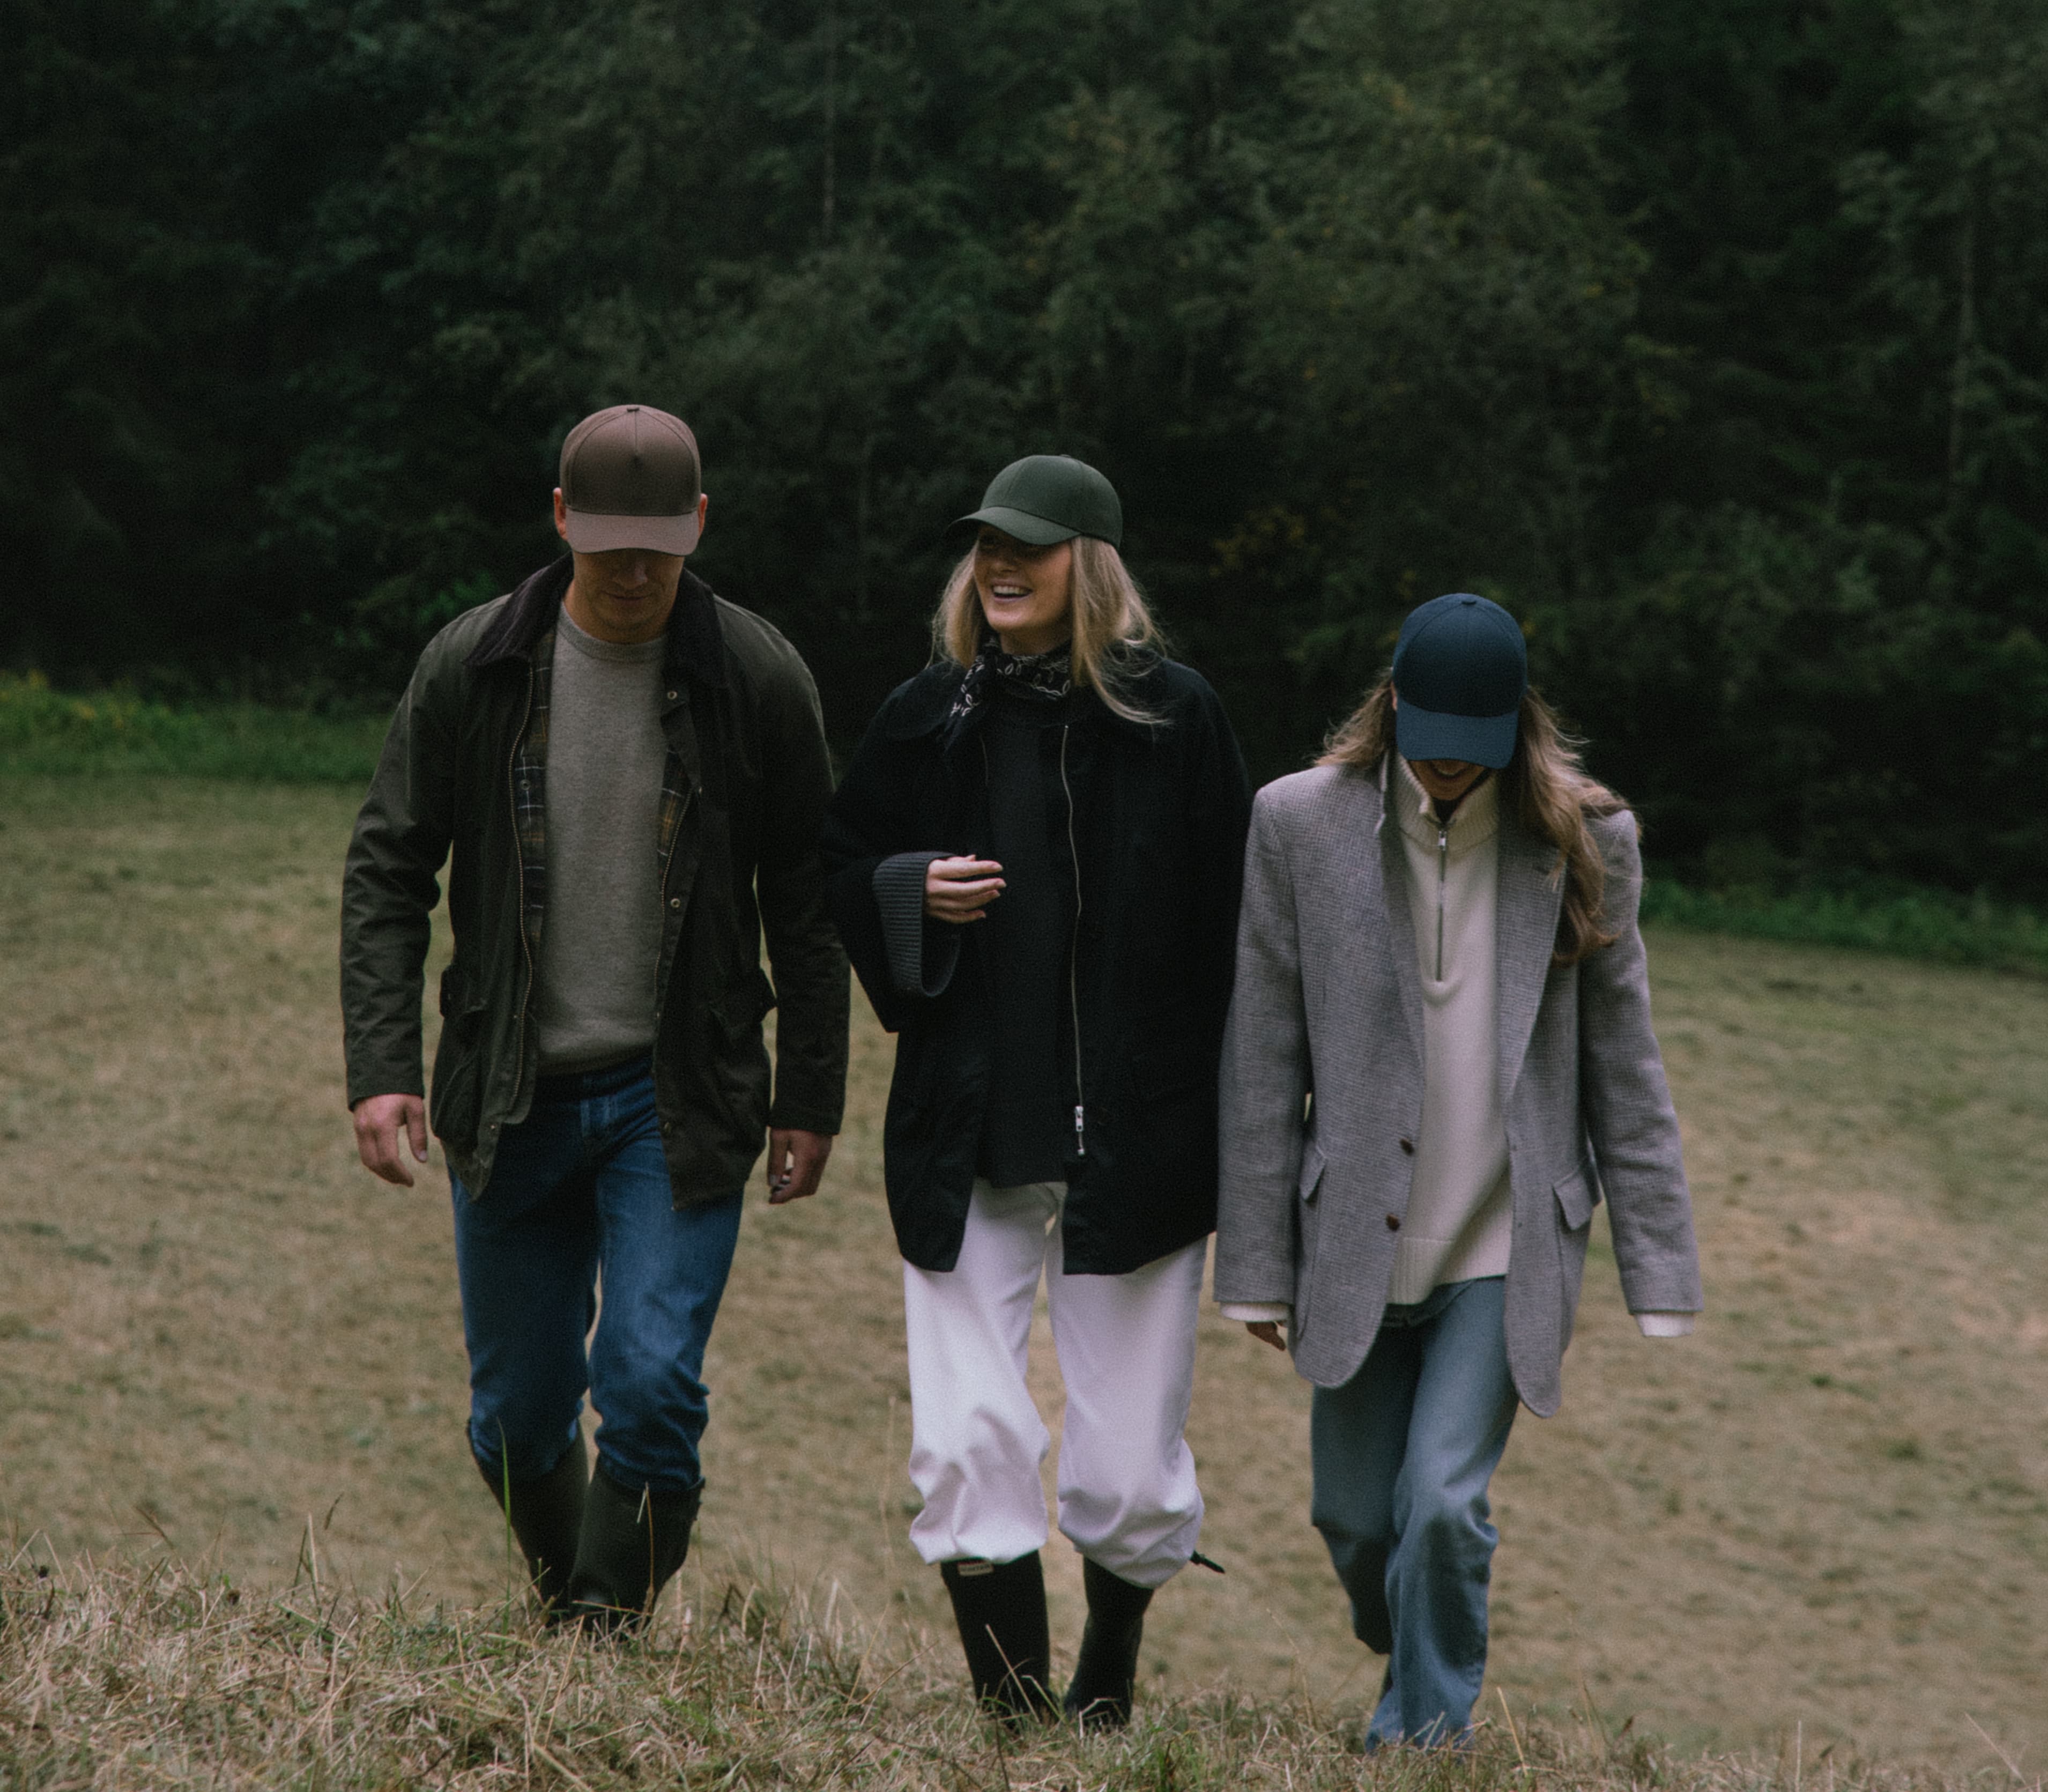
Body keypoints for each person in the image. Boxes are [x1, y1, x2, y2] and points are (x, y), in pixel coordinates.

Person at [340, 402, 848, 1628]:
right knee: (514, 1415)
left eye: (658, 546)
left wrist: (811, 1094)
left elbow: (809, 897)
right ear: (561, 518)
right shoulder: (476, 667)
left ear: (699, 527)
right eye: (608, 540)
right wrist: (381, 1065)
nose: (632, 571)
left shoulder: (757, 678)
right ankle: (582, 1600)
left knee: (652, 1387)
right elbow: (388, 868)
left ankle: (595, 1635)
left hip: (677, 1098)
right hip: (508, 1092)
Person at [1216, 592, 1700, 1750]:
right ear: (1391, 707)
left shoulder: (1588, 841)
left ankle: (1423, 1743)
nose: (1443, 766)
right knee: (1356, 1521)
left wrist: (1662, 1268)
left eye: (1471, 748)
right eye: (1425, 737)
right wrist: (1256, 1266)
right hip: (1355, 1243)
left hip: (1503, 1238)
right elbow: (1262, 1050)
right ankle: (1412, 1642)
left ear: (1516, 728)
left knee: (1441, 1504)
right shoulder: (1297, 824)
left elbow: (1624, 1067)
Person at [823, 455, 1252, 1726]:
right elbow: (839, 867)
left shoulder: (1180, 721)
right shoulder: (925, 715)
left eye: (1032, 546)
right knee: (966, 1442)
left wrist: (1255, 1134)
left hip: (1143, 1145)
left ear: (1092, 564)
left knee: (1124, 1481)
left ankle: (1106, 1685)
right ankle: (1014, 1730)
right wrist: (906, 891)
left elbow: (1243, 931)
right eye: (987, 547)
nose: (1001, 565)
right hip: (968, 1139)